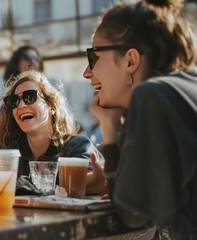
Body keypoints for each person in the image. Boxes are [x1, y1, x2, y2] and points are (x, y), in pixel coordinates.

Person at [82, 0, 197, 238]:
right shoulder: (183, 88)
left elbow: (133, 214)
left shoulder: (152, 96)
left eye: (94, 57)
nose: (86, 72)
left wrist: (111, 129)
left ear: (130, 61)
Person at [0, 70, 105, 195]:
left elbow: (95, 183)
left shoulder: (77, 147)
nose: (21, 105)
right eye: (13, 101)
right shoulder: (7, 150)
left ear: (52, 106)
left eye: (30, 97)